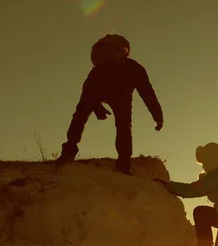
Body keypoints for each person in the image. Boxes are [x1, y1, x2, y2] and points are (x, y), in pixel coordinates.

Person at [55, 34, 164, 175]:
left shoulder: (98, 69)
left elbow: (87, 90)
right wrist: (157, 116)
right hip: (121, 94)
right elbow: (148, 94)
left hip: (97, 90)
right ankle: (124, 163)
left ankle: (68, 152)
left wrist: (96, 107)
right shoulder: (134, 68)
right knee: (124, 125)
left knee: (80, 116)